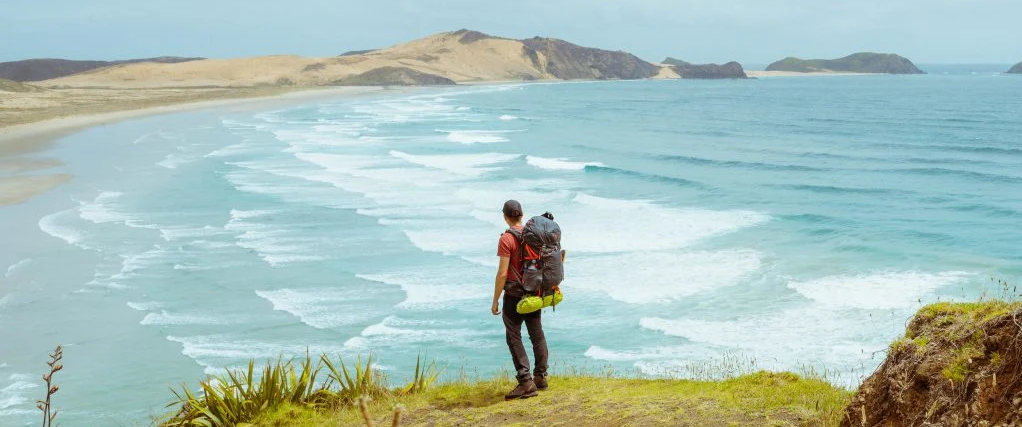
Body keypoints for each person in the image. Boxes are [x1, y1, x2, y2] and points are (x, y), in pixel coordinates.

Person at [491, 199, 548, 400]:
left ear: (505, 217)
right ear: (522, 215)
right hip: (533, 292)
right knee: (536, 334)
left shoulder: (506, 239)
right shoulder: (534, 235)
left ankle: (525, 382)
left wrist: (495, 300)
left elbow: (502, 273)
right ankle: (541, 377)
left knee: (513, 335)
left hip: (514, 295)